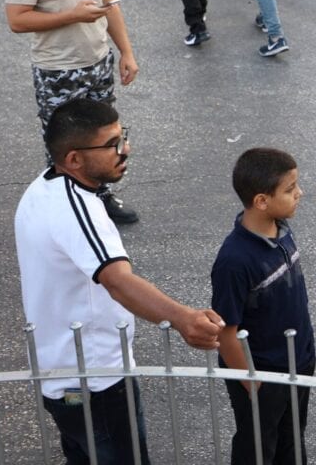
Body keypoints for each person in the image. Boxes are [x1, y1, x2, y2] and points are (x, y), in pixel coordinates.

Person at [15, 98, 224, 462]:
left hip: (61, 376)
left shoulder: (42, 189)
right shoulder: (77, 209)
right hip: (96, 381)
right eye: (111, 144)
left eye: (122, 136)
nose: (124, 150)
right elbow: (117, 280)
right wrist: (183, 318)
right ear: (74, 159)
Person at [5, 0, 142, 225]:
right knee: (65, 145)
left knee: (103, 137)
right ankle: (64, 208)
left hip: (98, 62)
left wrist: (125, 51)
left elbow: (108, 2)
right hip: (58, 70)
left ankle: (100, 197)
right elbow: (17, 20)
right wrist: (73, 16)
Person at [212, 147, 316, 464]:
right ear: (261, 201)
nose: (300, 193)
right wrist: (250, 381)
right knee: (257, 446)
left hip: (299, 361)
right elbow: (226, 331)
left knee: (292, 440)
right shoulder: (234, 261)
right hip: (262, 373)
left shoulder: (281, 229)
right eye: (290, 189)